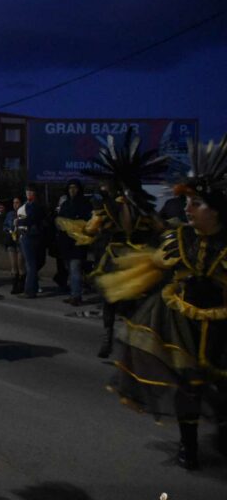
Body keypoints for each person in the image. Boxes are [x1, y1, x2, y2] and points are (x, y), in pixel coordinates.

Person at [94, 136, 222, 470]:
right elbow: (153, 255)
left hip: (222, 330)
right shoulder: (178, 237)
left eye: (196, 203)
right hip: (183, 326)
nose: (188, 209)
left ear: (217, 209)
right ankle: (188, 446)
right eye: (187, 202)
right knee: (188, 386)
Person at [59, 129, 167, 357]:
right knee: (138, 301)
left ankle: (110, 336)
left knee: (111, 299)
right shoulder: (142, 205)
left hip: (116, 258)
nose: (103, 185)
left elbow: (92, 228)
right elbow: (161, 228)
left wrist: (83, 229)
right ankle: (132, 339)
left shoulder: (111, 206)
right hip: (142, 261)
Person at [55, 179, 91, 306]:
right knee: (70, 269)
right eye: (70, 187)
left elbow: (88, 221)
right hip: (66, 242)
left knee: (75, 268)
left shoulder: (84, 203)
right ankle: (73, 294)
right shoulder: (66, 204)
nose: (72, 190)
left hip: (78, 242)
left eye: (75, 187)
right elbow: (60, 220)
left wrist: (75, 225)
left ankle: (76, 296)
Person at [16, 186, 45, 298]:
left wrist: (19, 222)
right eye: (27, 191)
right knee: (32, 263)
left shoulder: (33, 205)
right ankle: (34, 287)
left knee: (31, 264)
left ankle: (30, 290)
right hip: (31, 235)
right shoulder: (31, 204)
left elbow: (31, 219)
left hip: (30, 235)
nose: (28, 193)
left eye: (31, 191)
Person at [2, 197, 25, 294]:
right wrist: (9, 230)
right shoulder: (10, 214)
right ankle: (15, 285)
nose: (15, 204)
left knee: (20, 264)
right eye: (14, 202)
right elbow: (5, 226)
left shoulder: (23, 213)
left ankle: (21, 285)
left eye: (17, 202)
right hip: (11, 240)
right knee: (13, 264)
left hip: (20, 241)